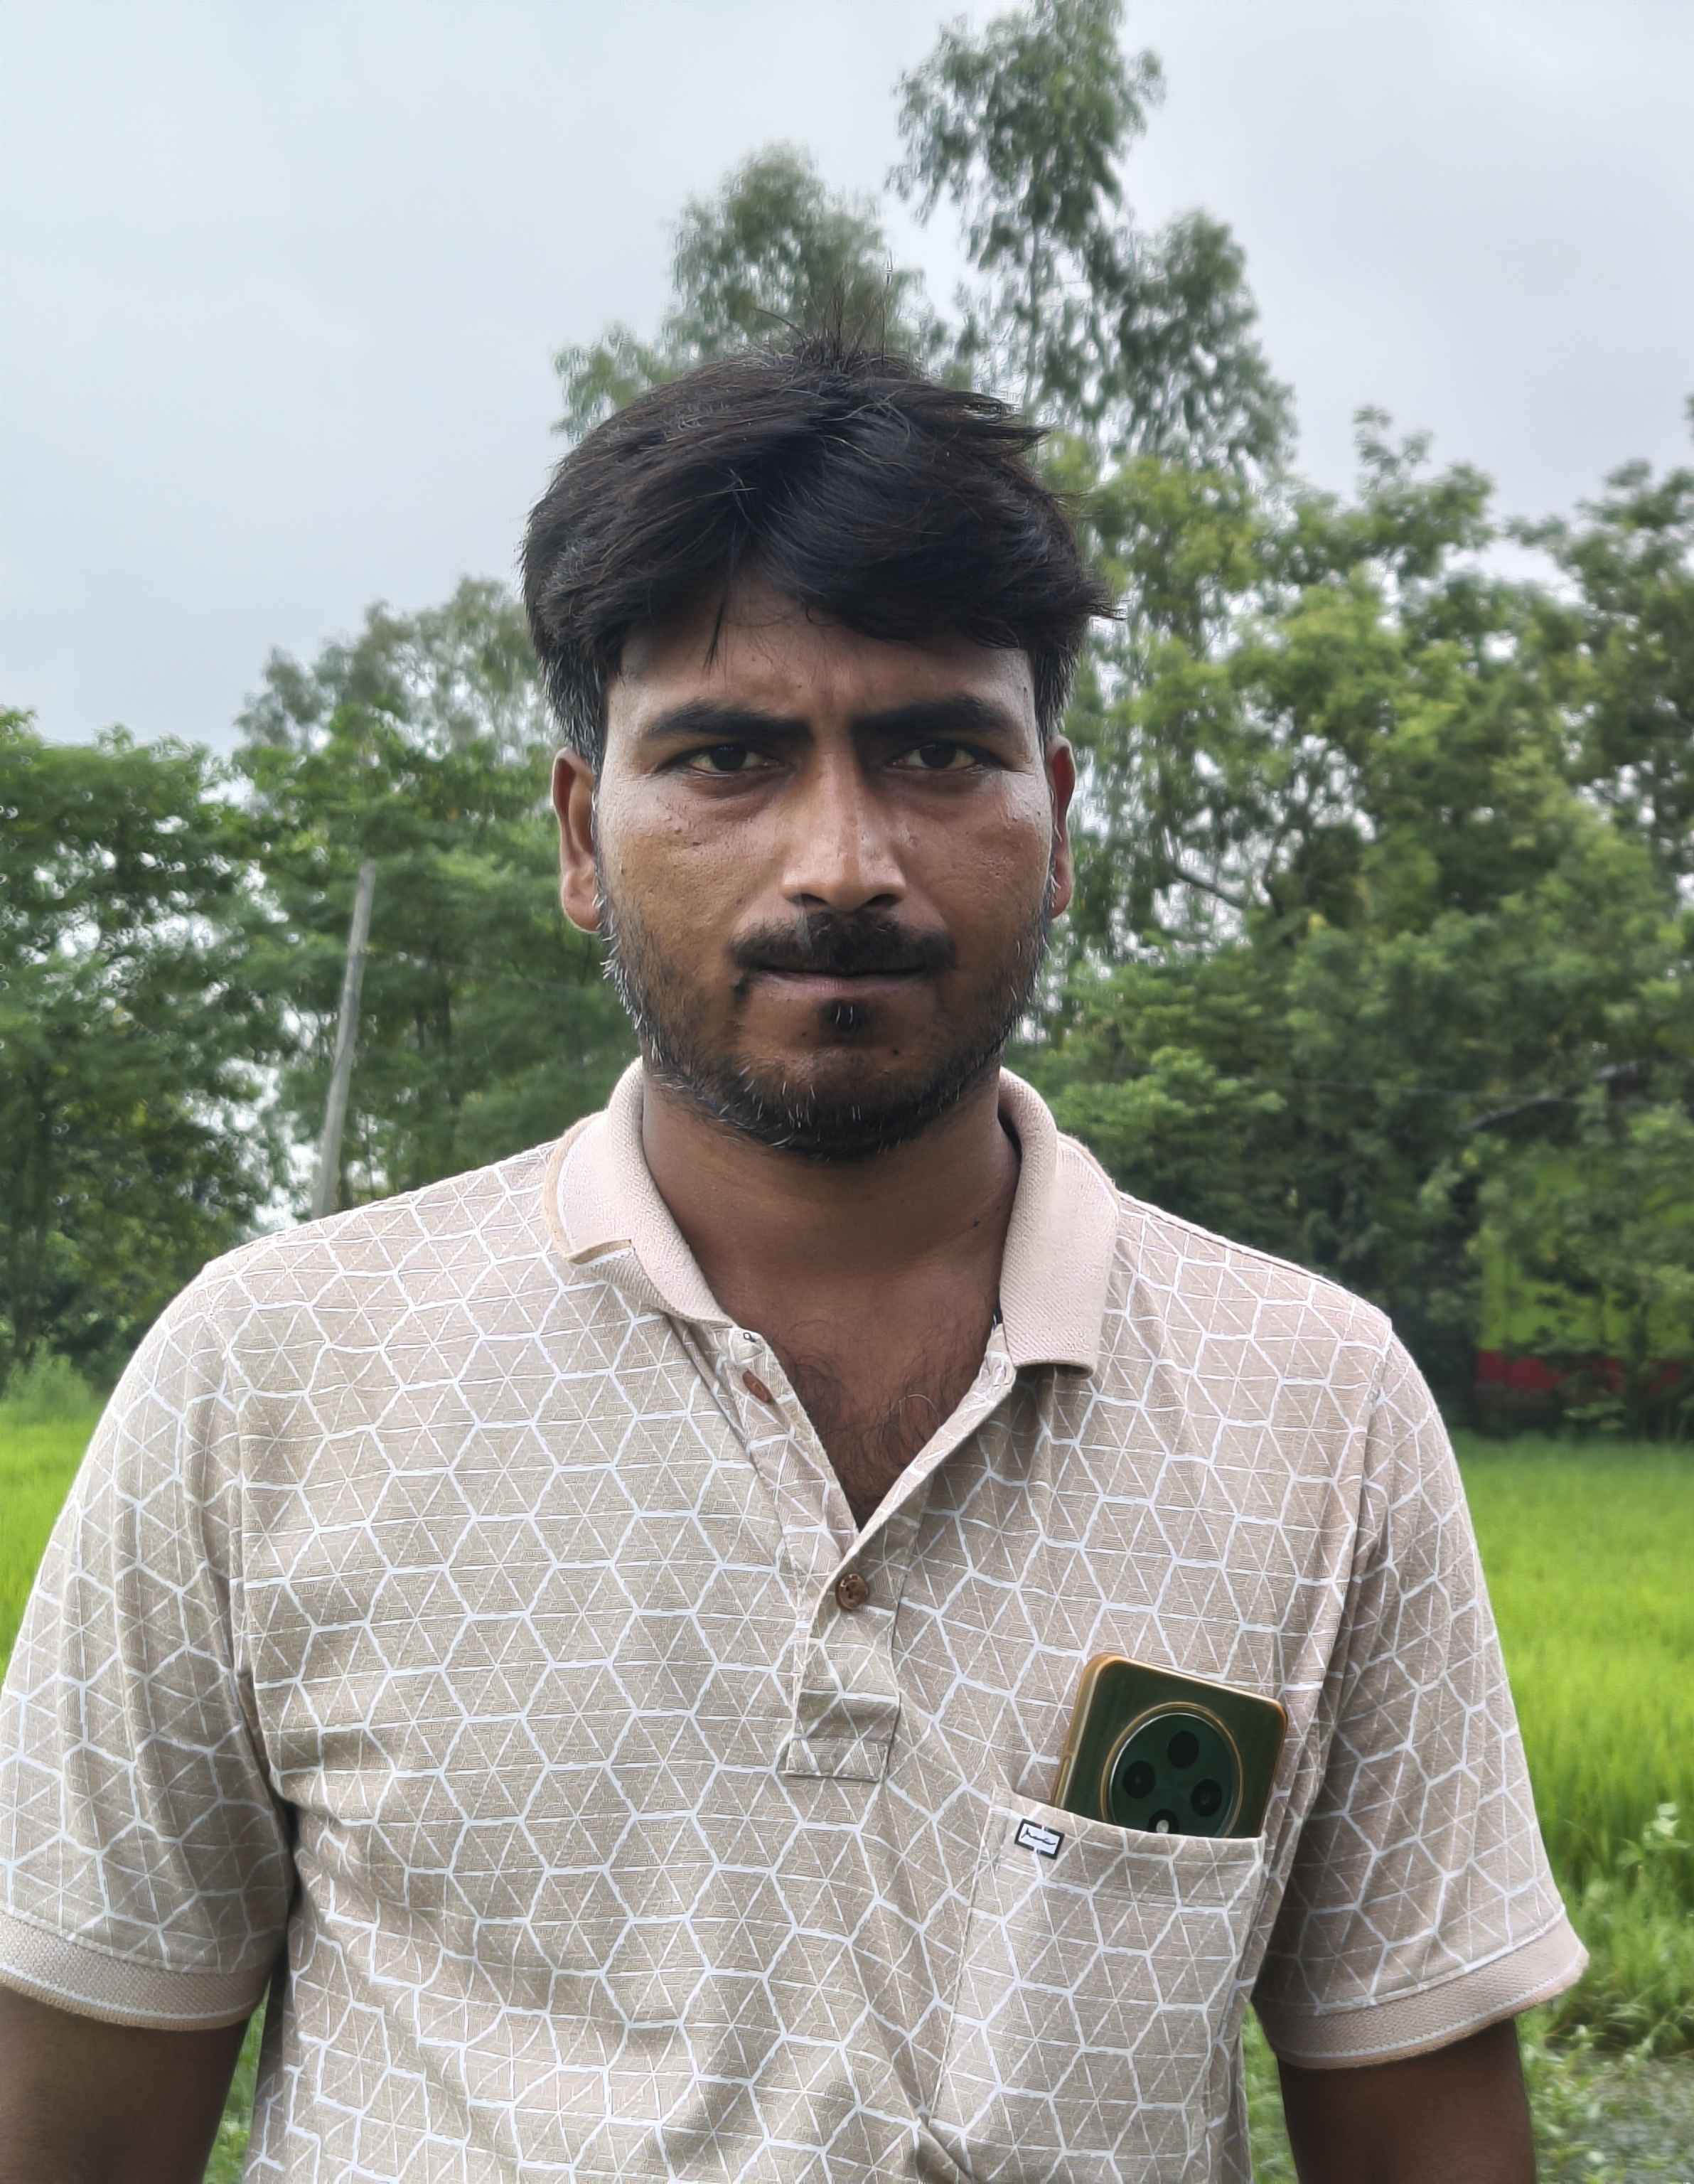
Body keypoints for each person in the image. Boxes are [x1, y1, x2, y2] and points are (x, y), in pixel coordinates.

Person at [0, 340, 1583, 2183]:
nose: (843, 863)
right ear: (584, 839)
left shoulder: (1314, 1407)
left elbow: (1422, 2124)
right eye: (728, 758)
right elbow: (72, 2117)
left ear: (1058, 823)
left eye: (939, 751)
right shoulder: (274, 1375)